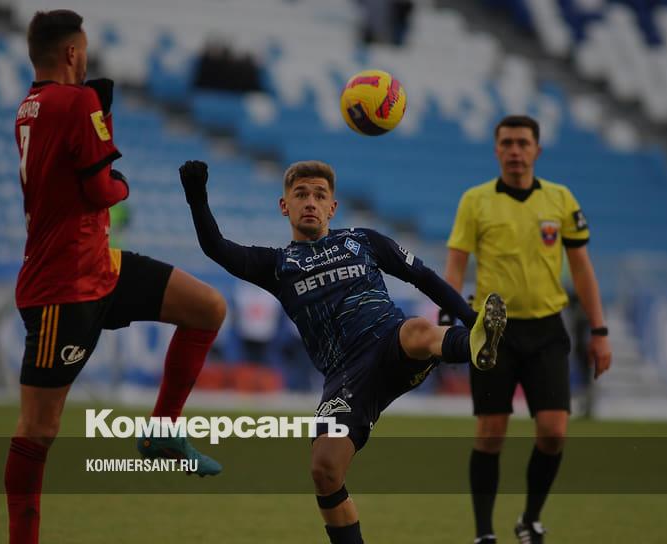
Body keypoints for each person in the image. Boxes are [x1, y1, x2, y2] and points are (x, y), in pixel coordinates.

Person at [179, 158, 507, 544]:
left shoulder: (362, 241)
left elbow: (422, 276)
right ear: (284, 205)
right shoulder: (277, 265)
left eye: (320, 195)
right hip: (346, 377)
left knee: (417, 330)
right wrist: (197, 197)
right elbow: (217, 248)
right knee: (325, 471)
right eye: (301, 194)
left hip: (390, 342)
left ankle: (475, 342)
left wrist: (470, 317)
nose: (310, 202)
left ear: (332, 207)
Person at [6, 10, 227, 544]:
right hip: (63, 287)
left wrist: (101, 125)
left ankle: (161, 430)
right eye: (83, 50)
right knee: (39, 430)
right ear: (72, 53)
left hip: (99, 266)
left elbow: (71, 177)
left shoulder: (29, 107)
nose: (86, 59)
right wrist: (123, 183)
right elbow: (101, 189)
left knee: (207, 308)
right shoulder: (76, 101)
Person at [441, 115, 613, 544]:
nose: (515, 151)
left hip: (547, 330)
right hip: (492, 333)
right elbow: (456, 264)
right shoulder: (475, 201)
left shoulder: (560, 199)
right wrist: (447, 316)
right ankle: (484, 533)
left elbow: (582, 268)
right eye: (507, 143)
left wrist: (600, 330)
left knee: (554, 433)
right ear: (496, 150)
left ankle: (530, 519)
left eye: (522, 143)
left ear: (537, 149)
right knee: (490, 433)